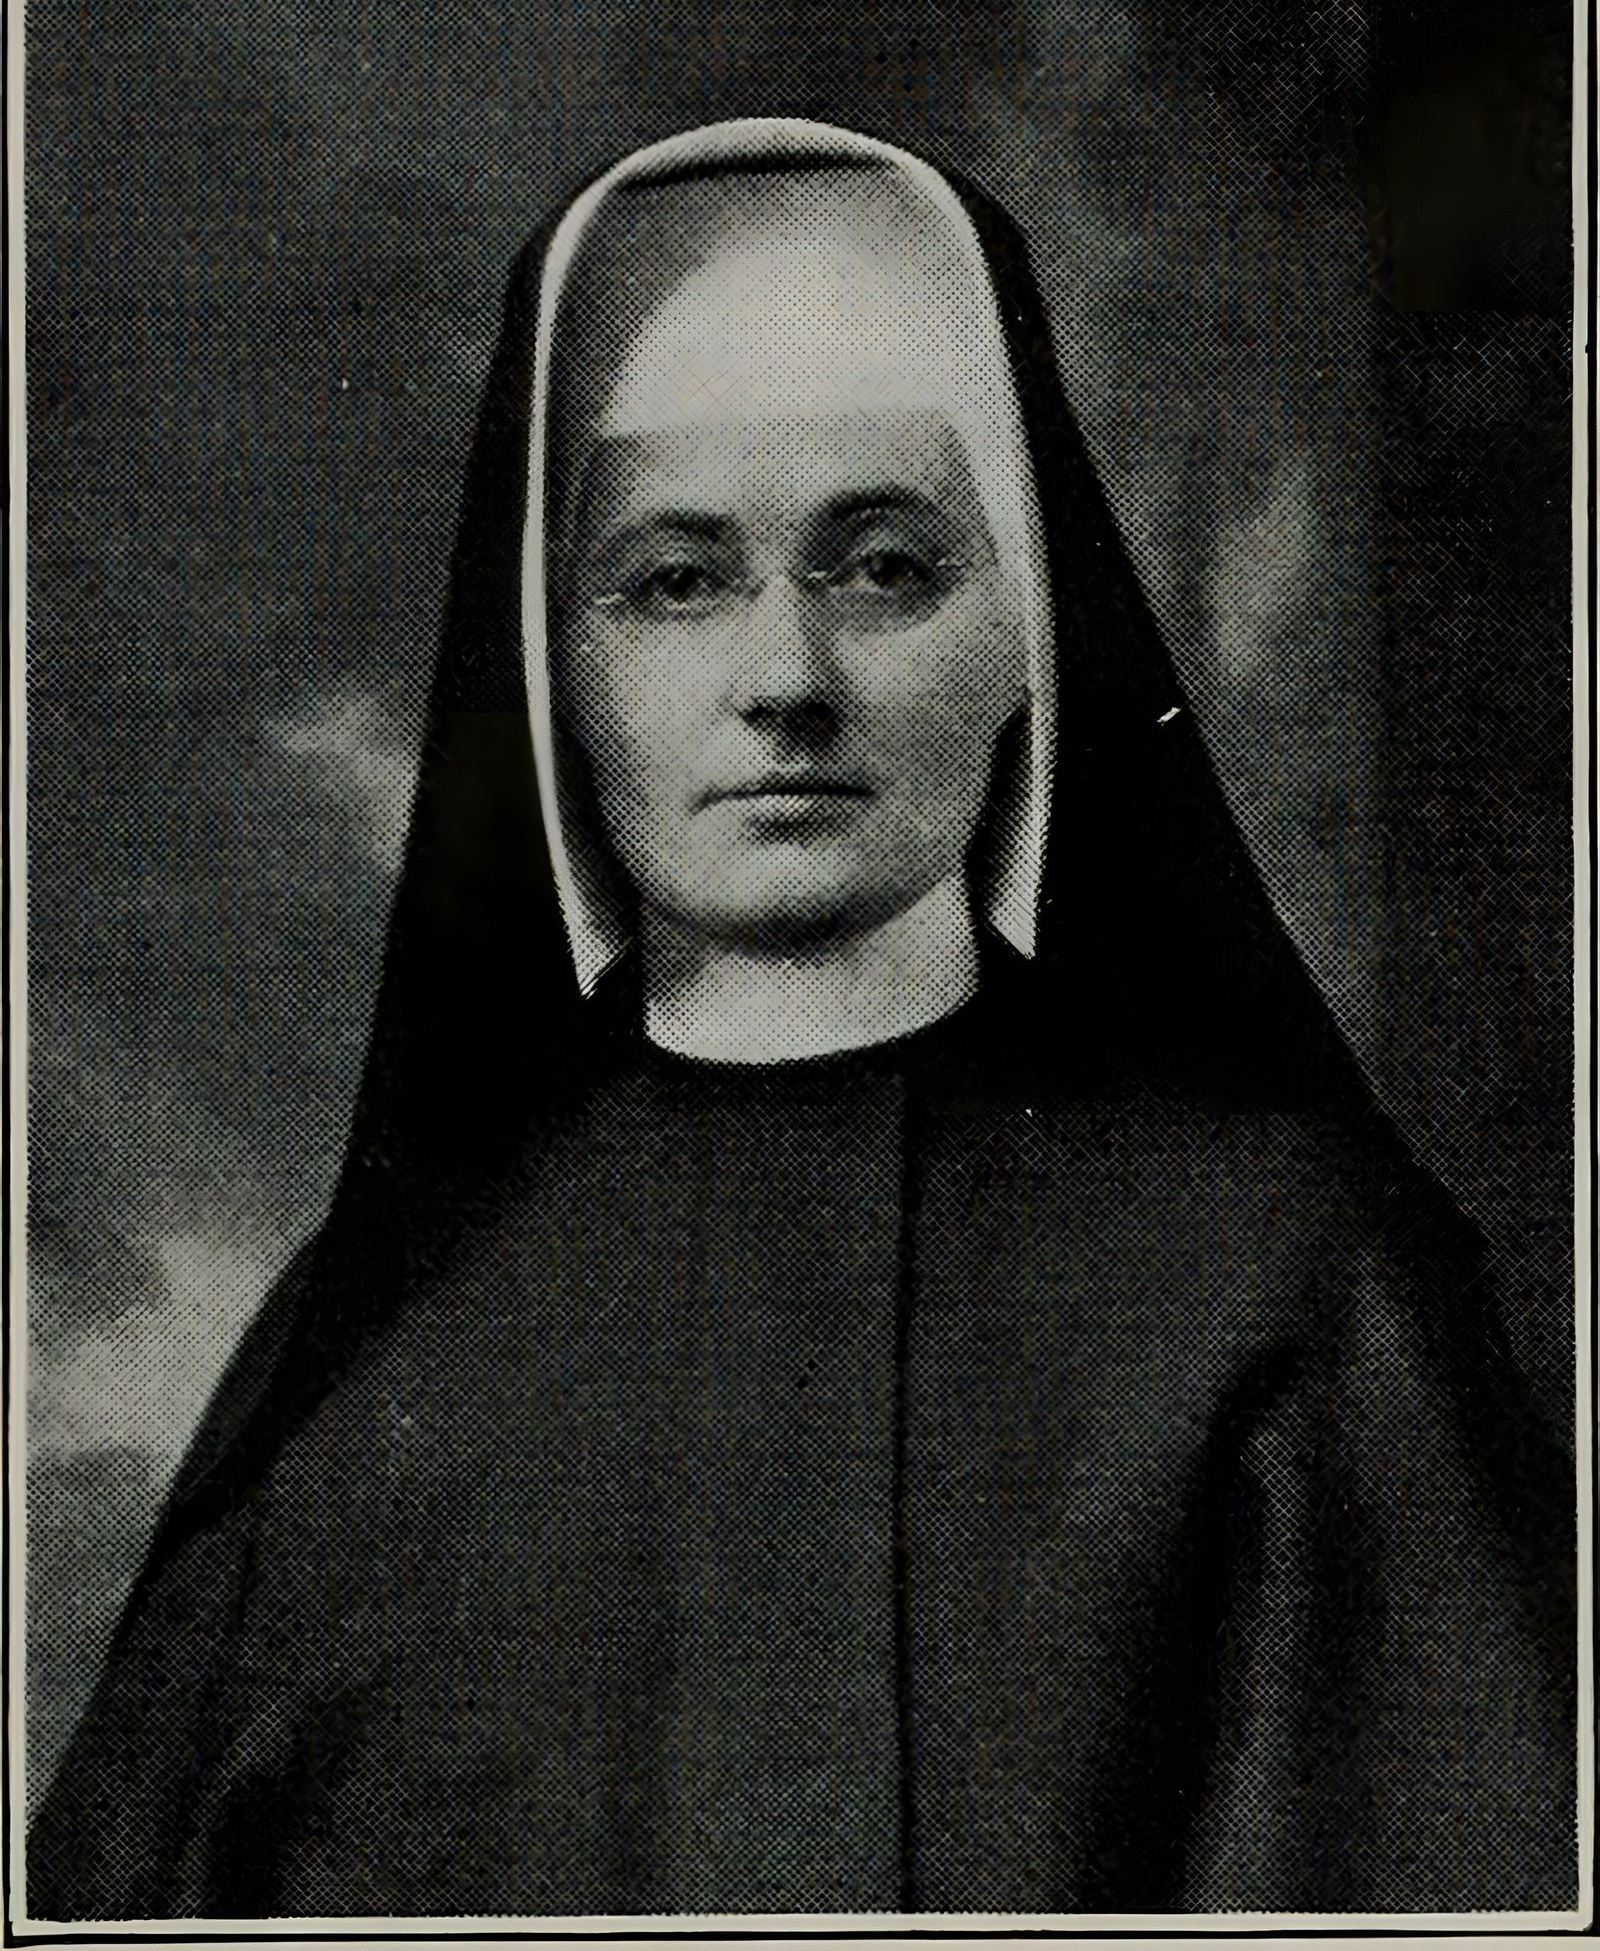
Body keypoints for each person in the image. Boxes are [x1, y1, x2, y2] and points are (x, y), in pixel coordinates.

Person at [28, 118, 1575, 1921]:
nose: (784, 680)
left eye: (886, 565)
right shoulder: (382, 1333)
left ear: (1029, 634)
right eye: (675, 581)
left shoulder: (1294, 1280)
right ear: (556, 665)